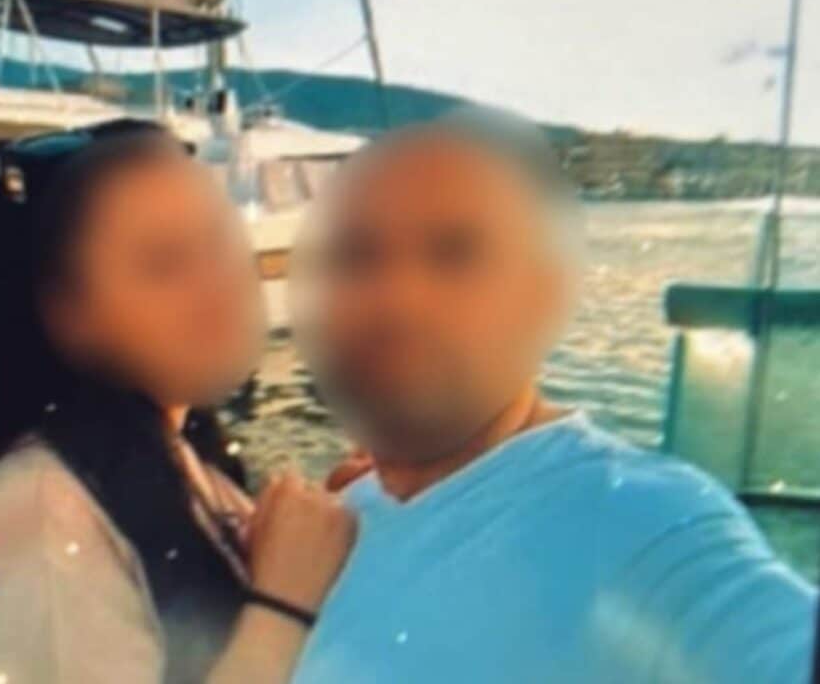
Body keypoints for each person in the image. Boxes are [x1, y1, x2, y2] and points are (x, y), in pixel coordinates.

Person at [288, 111, 818, 683]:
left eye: (454, 254)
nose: (398, 297)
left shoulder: (639, 519)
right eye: (358, 256)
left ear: (543, 293)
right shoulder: (336, 524)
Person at [0, 119, 355, 684]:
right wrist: (284, 603)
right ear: (68, 314)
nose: (220, 282)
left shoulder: (171, 450)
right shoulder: (43, 512)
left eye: (221, 240)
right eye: (163, 263)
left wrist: (331, 524)